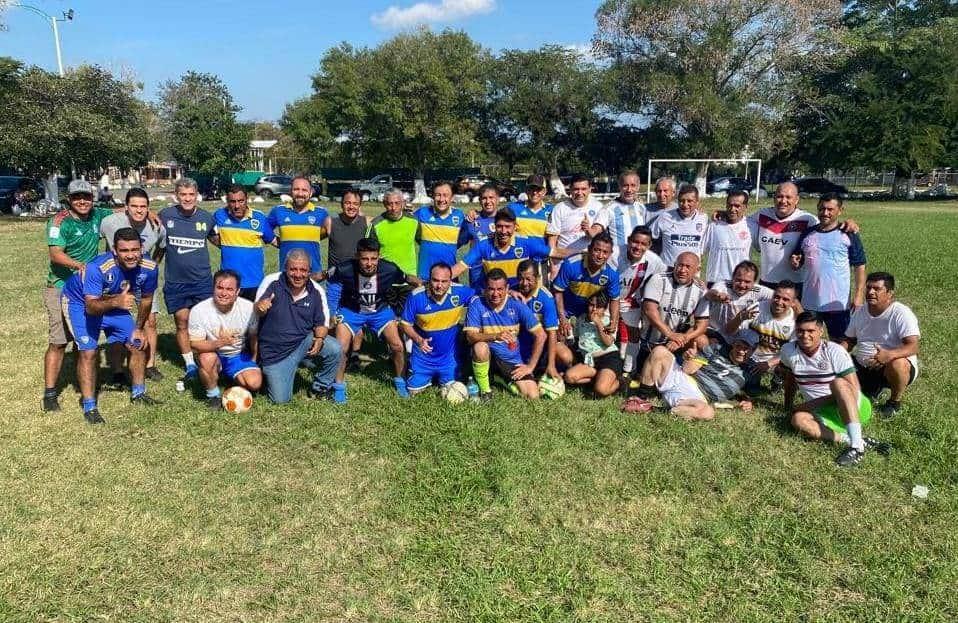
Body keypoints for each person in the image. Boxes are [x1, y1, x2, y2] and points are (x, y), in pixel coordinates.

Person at [60, 228, 161, 424]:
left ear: (142, 248)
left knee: (136, 341)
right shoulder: (97, 267)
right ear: (114, 250)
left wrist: (139, 328)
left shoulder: (149, 267)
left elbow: (147, 299)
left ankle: (138, 392)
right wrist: (116, 303)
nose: (131, 255)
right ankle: (89, 405)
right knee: (88, 352)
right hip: (81, 303)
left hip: (114, 301)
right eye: (124, 251)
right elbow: (91, 306)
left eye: (135, 249)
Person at [42, 179, 117, 412]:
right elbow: (55, 254)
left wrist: (151, 214)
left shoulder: (98, 215)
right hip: (60, 286)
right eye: (77, 197)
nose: (83, 201)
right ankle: (50, 393)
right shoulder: (58, 221)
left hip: (85, 289)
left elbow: (123, 212)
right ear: (69, 200)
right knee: (59, 340)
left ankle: (81, 380)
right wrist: (80, 266)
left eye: (86, 196)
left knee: (82, 339)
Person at [781, 311, 881, 467]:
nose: (805, 335)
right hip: (823, 414)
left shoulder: (834, 350)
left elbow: (854, 389)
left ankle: (856, 447)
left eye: (810, 331)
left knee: (838, 384)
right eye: (800, 330)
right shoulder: (788, 351)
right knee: (798, 420)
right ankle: (851, 438)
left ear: (821, 331)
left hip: (853, 406)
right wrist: (788, 406)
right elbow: (790, 378)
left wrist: (812, 404)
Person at [326, 238, 418, 400]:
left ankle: (400, 381)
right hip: (351, 311)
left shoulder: (389, 269)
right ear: (357, 257)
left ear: (379, 257)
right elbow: (325, 277)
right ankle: (339, 386)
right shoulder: (345, 268)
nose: (369, 263)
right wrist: (332, 312)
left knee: (397, 345)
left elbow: (406, 278)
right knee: (340, 347)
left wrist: (421, 282)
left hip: (380, 311)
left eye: (373, 258)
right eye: (364, 258)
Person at [254, 250, 340, 404]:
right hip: (275, 353)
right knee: (280, 401)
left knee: (335, 348)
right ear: (285, 268)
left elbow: (321, 323)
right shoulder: (272, 282)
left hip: (302, 342)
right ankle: (267, 373)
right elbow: (257, 310)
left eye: (303, 270)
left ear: (309, 271)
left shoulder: (316, 291)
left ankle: (319, 388)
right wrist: (260, 307)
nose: (298, 274)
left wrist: (320, 338)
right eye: (293, 269)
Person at [100, 187, 167, 382]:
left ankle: (150, 364)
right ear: (126, 207)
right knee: (117, 322)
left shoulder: (156, 227)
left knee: (150, 321)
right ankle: (118, 370)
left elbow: (162, 247)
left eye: (144, 206)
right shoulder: (109, 223)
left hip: (142, 279)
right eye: (134, 206)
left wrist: (152, 266)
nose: (139, 210)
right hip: (117, 279)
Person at [159, 177, 219, 381]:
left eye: (191, 194)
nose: (187, 198)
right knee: (182, 321)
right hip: (176, 281)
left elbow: (218, 239)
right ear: (176, 196)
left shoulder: (207, 218)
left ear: (197, 195)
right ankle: (190, 364)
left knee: (205, 322)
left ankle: (210, 357)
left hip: (202, 280)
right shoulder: (165, 215)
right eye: (183, 195)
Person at [840, 272, 920, 418]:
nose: (870, 292)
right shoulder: (860, 312)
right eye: (869, 288)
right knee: (837, 369)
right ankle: (871, 389)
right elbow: (850, 340)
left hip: (890, 367)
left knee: (898, 364)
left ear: (890, 293)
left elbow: (913, 347)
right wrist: (837, 351)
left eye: (877, 289)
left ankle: (894, 402)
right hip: (863, 365)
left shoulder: (901, 313)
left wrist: (889, 355)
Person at [791, 192, 866, 340]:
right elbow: (797, 259)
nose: (825, 213)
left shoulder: (848, 233)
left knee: (840, 343)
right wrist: (795, 262)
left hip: (837, 303)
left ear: (840, 210)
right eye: (822, 208)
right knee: (807, 340)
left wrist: (858, 295)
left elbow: (860, 266)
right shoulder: (807, 233)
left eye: (830, 209)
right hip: (810, 302)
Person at [464, 268, 547, 400]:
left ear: (507, 288)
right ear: (485, 288)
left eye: (500, 289)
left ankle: (500, 378)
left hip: (510, 359)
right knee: (480, 347)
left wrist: (530, 366)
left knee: (532, 395)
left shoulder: (516, 304)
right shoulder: (477, 303)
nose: (495, 294)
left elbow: (541, 335)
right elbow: (470, 337)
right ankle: (486, 391)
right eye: (491, 289)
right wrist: (495, 336)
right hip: (487, 356)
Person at [188, 269, 262, 410]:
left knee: (254, 383)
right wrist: (219, 343)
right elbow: (195, 345)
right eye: (220, 287)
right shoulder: (199, 310)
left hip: (238, 354)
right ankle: (213, 394)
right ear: (213, 288)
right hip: (213, 353)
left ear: (237, 291)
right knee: (206, 359)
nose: (223, 293)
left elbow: (253, 336)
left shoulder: (248, 308)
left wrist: (254, 359)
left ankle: (227, 376)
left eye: (229, 289)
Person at [631, 340, 756, 420]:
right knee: (659, 351)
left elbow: (751, 394)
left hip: (697, 396)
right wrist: (692, 357)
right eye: (739, 345)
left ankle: (651, 409)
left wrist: (748, 401)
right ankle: (640, 398)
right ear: (733, 344)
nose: (741, 351)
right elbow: (687, 370)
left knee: (707, 412)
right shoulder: (716, 349)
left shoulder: (749, 372)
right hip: (682, 377)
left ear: (752, 351)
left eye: (746, 349)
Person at [400, 262, 475, 394]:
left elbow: (482, 297)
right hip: (423, 359)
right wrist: (418, 340)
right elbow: (405, 325)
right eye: (435, 280)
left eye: (444, 281)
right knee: (413, 391)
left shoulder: (460, 292)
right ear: (429, 280)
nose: (439, 285)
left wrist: (509, 292)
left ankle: (446, 374)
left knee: (453, 390)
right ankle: (417, 371)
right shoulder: (416, 297)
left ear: (450, 281)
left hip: (448, 359)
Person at [453, 208, 563, 289]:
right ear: (494, 226)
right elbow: (461, 267)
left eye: (507, 227)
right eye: (500, 226)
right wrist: (441, 280)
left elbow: (555, 253)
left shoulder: (525, 242)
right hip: (495, 296)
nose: (503, 231)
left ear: (515, 227)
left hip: (519, 296)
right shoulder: (484, 244)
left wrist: (579, 251)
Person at [637, 252, 710, 372]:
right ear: (675, 265)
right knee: (647, 374)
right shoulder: (659, 279)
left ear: (697, 270)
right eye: (680, 265)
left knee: (702, 340)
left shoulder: (701, 291)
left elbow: (702, 325)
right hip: (649, 342)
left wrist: (683, 338)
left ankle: (697, 374)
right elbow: (649, 310)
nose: (682, 270)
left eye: (688, 267)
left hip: (676, 344)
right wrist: (670, 334)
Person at [727, 280, 798, 394]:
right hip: (747, 356)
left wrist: (768, 363)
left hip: (772, 362)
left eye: (785, 299)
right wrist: (740, 318)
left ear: (793, 303)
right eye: (777, 297)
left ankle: (777, 381)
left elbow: (791, 351)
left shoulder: (794, 322)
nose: (779, 302)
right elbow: (734, 332)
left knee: (793, 365)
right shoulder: (757, 307)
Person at [616, 226, 667, 376]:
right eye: (635, 242)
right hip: (608, 298)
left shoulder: (655, 261)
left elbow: (665, 277)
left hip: (632, 301)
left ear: (649, 245)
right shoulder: (615, 253)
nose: (638, 247)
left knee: (633, 333)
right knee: (603, 330)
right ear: (628, 241)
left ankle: (629, 369)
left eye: (643, 244)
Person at [552, 232, 621, 341]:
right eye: (597, 250)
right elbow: (557, 291)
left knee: (594, 344)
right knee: (561, 339)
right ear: (589, 249)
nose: (600, 256)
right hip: (566, 310)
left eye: (605, 252)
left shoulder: (612, 273)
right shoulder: (571, 264)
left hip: (589, 314)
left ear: (610, 254)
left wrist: (613, 322)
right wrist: (562, 318)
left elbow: (615, 299)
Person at [213, 184, 275, 301]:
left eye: (241, 201)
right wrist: (223, 245)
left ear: (247, 199)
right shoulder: (219, 215)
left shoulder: (259, 218)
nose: (237, 206)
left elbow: (274, 241)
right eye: (232, 201)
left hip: (254, 283)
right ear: (227, 201)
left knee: (254, 319)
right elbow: (208, 233)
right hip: (228, 285)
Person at [514, 259, 572, 380]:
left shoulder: (546, 298)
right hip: (518, 345)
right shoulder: (512, 293)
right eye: (520, 278)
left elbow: (552, 333)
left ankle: (550, 368)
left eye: (529, 279)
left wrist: (551, 365)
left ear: (538, 278)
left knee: (566, 356)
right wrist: (509, 292)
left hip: (541, 345)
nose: (524, 283)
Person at [267, 176, 328, 279]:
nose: (300, 194)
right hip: (287, 275)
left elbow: (334, 231)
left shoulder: (321, 213)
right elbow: (264, 228)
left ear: (310, 193)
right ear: (291, 191)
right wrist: (274, 240)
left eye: (304, 190)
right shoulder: (279, 211)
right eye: (296, 189)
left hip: (313, 276)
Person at [703, 260, 773, 348]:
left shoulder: (759, 290)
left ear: (754, 282)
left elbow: (780, 297)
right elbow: (710, 294)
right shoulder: (723, 285)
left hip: (740, 337)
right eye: (738, 280)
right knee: (703, 342)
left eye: (747, 282)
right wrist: (718, 296)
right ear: (732, 278)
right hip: (715, 331)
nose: (742, 285)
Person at [564, 292, 622, 398]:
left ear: (604, 309)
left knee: (601, 390)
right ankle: (598, 378)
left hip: (608, 357)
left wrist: (599, 323)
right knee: (569, 377)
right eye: (591, 305)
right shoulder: (581, 319)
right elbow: (576, 339)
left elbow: (608, 342)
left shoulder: (609, 321)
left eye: (599, 306)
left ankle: (620, 383)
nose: (594, 309)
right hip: (589, 360)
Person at [413, 180, 467, 280]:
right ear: (433, 196)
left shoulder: (459, 215)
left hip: (449, 275)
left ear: (452, 197)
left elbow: (465, 237)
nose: (441, 199)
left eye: (445, 195)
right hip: (425, 275)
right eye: (438, 195)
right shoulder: (422, 213)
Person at [546, 173, 609, 256]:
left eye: (583, 189)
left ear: (590, 189)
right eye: (576, 189)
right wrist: (552, 261)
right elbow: (552, 240)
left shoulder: (599, 207)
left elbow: (597, 235)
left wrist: (588, 229)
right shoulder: (559, 208)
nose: (580, 193)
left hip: (590, 259)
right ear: (570, 189)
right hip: (564, 259)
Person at [650, 184, 709, 268]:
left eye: (689, 201)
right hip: (668, 269)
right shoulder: (665, 217)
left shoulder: (703, 218)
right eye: (682, 200)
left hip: (692, 271)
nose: (685, 204)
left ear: (697, 201)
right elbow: (648, 238)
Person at [702, 190, 753, 286]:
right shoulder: (714, 225)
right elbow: (700, 251)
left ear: (745, 207)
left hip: (740, 282)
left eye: (737, 206)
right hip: (715, 281)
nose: (732, 209)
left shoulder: (752, 225)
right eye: (730, 205)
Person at [368, 188, 419, 278]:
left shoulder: (414, 221)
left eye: (397, 203)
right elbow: (368, 252)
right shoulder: (375, 224)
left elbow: (424, 243)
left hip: (410, 278)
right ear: (384, 204)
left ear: (403, 203)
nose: (393, 208)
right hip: (385, 277)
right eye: (389, 204)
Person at [605, 170, 647, 269]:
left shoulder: (641, 207)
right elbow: (598, 231)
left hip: (637, 260)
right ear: (619, 186)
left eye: (633, 185)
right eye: (625, 185)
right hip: (616, 262)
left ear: (638, 186)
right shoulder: (609, 209)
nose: (629, 189)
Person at [325, 188, 372, 269]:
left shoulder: (367, 222)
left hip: (358, 277)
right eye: (347, 203)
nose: (351, 207)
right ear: (341, 204)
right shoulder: (330, 222)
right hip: (335, 278)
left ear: (360, 206)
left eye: (355, 204)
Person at [508, 174, 554, 240]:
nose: (535, 192)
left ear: (545, 191)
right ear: (526, 190)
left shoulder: (552, 211)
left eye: (539, 189)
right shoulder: (512, 208)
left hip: (543, 250)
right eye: (531, 188)